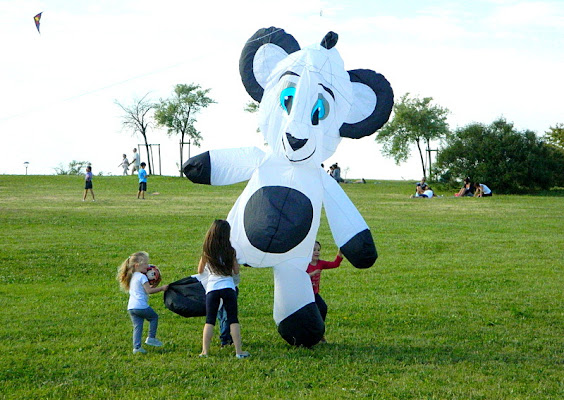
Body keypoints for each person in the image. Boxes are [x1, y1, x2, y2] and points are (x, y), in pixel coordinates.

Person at [198, 219, 250, 358]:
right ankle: (239, 352)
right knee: (233, 319)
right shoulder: (230, 251)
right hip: (228, 287)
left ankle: (205, 351)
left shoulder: (207, 251)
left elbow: (200, 270)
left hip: (212, 288)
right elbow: (236, 270)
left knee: (210, 320)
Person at [116, 251, 169, 354]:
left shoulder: (132, 276)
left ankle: (137, 348)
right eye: (145, 264)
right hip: (141, 306)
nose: (148, 266)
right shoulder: (142, 276)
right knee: (154, 317)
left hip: (131, 307)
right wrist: (162, 288)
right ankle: (151, 338)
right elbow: (149, 291)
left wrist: (153, 286)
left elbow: (144, 290)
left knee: (137, 327)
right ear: (137, 265)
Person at [306, 241, 343, 343]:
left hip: (314, 294)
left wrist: (340, 253)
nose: (317, 252)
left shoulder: (320, 263)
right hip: (304, 295)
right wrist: (311, 274)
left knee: (323, 308)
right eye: (314, 250)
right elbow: (299, 277)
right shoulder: (304, 264)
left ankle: (319, 333)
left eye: (318, 250)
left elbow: (335, 264)